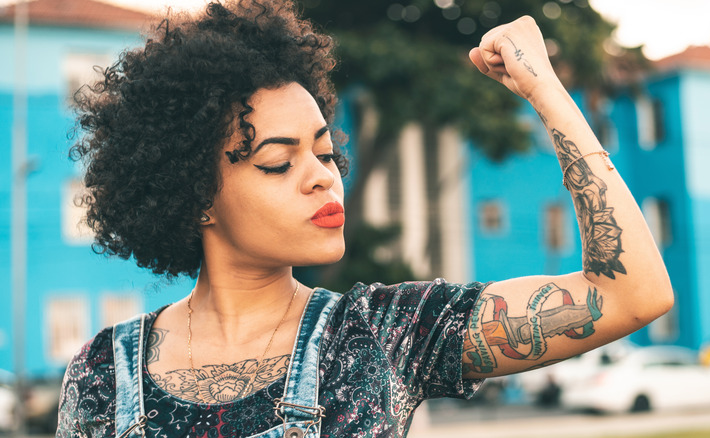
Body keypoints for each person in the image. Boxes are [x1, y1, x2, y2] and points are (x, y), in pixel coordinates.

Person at [56, 1, 674, 437]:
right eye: (278, 161)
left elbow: (628, 295)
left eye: (326, 153)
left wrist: (548, 94)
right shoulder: (104, 371)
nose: (324, 176)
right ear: (195, 195)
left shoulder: (386, 332)